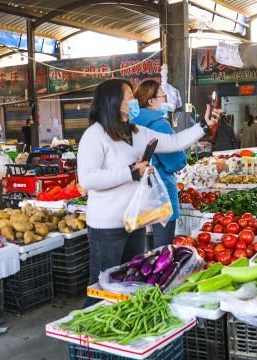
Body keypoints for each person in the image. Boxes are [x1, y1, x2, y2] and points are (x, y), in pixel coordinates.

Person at [77, 79, 219, 290]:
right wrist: (131, 172)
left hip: (135, 220)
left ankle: (126, 322)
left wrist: (203, 126)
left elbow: (173, 142)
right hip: (107, 225)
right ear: (114, 101)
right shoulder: (95, 135)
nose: (135, 100)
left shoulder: (136, 132)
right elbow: (88, 179)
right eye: (130, 96)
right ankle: (89, 321)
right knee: (102, 286)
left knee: (131, 282)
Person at [132, 79, 187, 249]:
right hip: (160, 192)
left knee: (140, 252)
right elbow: (176, 161)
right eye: (163, 96)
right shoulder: (159, 124)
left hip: (134, 193)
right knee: (162, 251)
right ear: (151, 101)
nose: (167, 100)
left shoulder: (128, 122)